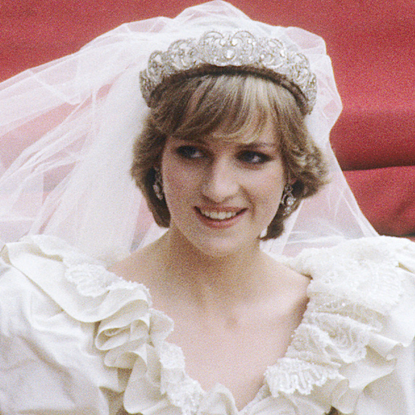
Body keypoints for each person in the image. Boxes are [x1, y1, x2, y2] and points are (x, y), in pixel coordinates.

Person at [0, 1, 414, 414]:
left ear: (292, 170)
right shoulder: (54, 323)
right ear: (157, 161)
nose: (218, 188)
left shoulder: (371, 323)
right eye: (193, 152)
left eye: (252, 157)